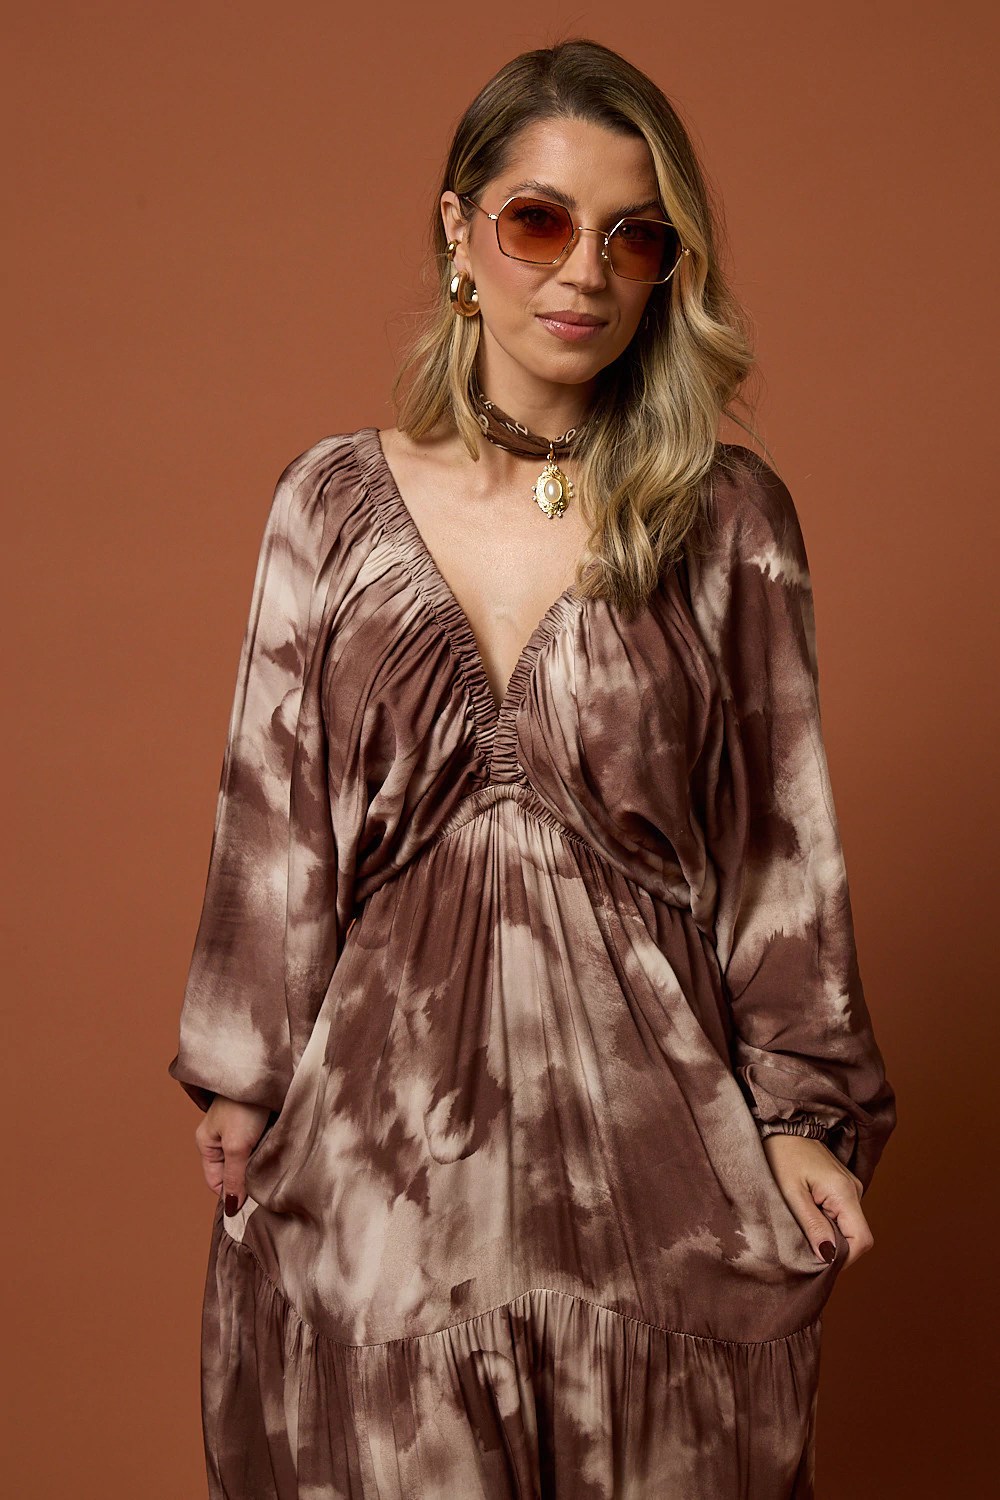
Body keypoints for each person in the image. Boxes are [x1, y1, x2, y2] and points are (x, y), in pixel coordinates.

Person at [168, 36, 896, 1500]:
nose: (584, 274)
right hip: (385, 1172)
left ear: (667, 269)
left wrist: (802, 1118)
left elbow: (780, 851)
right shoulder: (328, 505)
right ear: (460, 230)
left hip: (655, 1179)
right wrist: (243, 1081)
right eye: (540, 221)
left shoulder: (727, 519)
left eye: (634, 237)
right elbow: (273, 823)